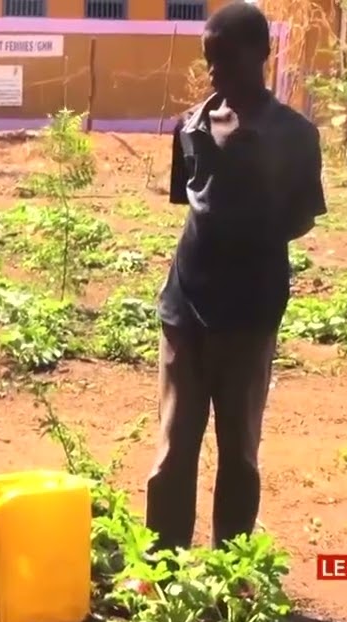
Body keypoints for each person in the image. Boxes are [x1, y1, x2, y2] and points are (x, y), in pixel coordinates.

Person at [145, 3, 326, 555]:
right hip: (185, 306)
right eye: (209, 58)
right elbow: (194, 206)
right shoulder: (192, 126)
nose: (214, 68)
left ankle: (231, 565)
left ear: (261, 54)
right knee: (175, 443)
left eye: (225, 56)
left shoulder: (295, 135)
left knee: (239, 448)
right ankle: (164, 561)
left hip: (250, 312)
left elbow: (298, 218)